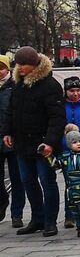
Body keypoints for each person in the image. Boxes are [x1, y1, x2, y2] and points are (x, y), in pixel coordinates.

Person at [0, 46, 65, 236]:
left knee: (47, 181)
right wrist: (7, 132)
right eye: (18, 64)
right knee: (28, 181)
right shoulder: (18, 84)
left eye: (23, 65)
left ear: (34, 65)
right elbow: (12, 110)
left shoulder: (50, 85)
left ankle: (50, 220)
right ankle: (37, 217)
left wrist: (51, 142)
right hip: (22, 142)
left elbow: (57, 117)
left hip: (42, 144)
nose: (19, 68)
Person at [0, 54, 22, 227]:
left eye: (2, 68)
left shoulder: (15, 85)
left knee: (17, 178)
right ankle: (2, 202)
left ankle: (17, 213)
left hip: (13, 138)